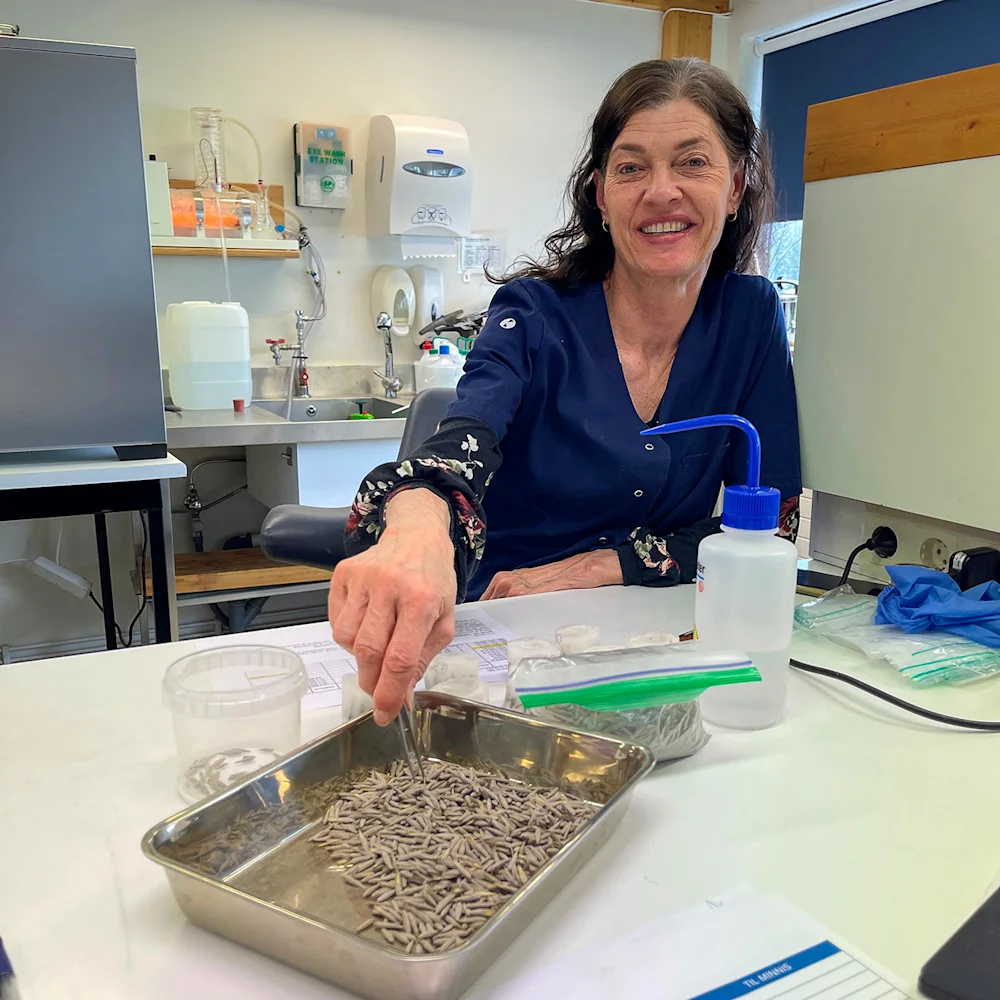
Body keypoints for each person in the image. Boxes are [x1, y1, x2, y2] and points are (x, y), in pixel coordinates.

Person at [331, 57, 801, 725]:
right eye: (631, 167)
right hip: (503, 640)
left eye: (692, 162)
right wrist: (420, 518)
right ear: (600, 195)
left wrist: (600, 565)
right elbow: (462, 444)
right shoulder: (533, 314)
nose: (661, 190)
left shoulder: (751, 316)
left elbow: (770, 523)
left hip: (654, 648)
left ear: (735, 187)